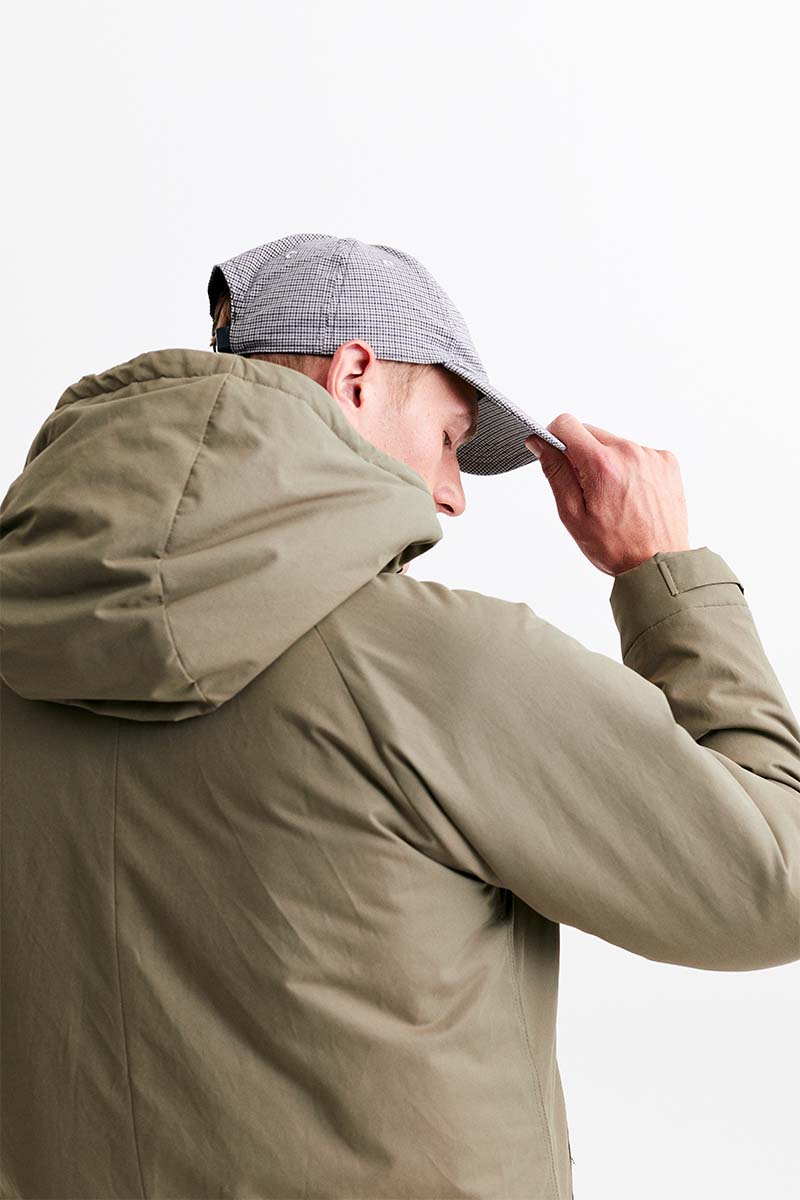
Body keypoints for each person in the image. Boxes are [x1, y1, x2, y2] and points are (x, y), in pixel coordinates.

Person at [1, 233, 798, 1200]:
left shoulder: (22, 652)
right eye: (453, 440)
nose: (452, 496)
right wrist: (663, 573)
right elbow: (775, 878)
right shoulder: (439, 668)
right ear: (355, 379)